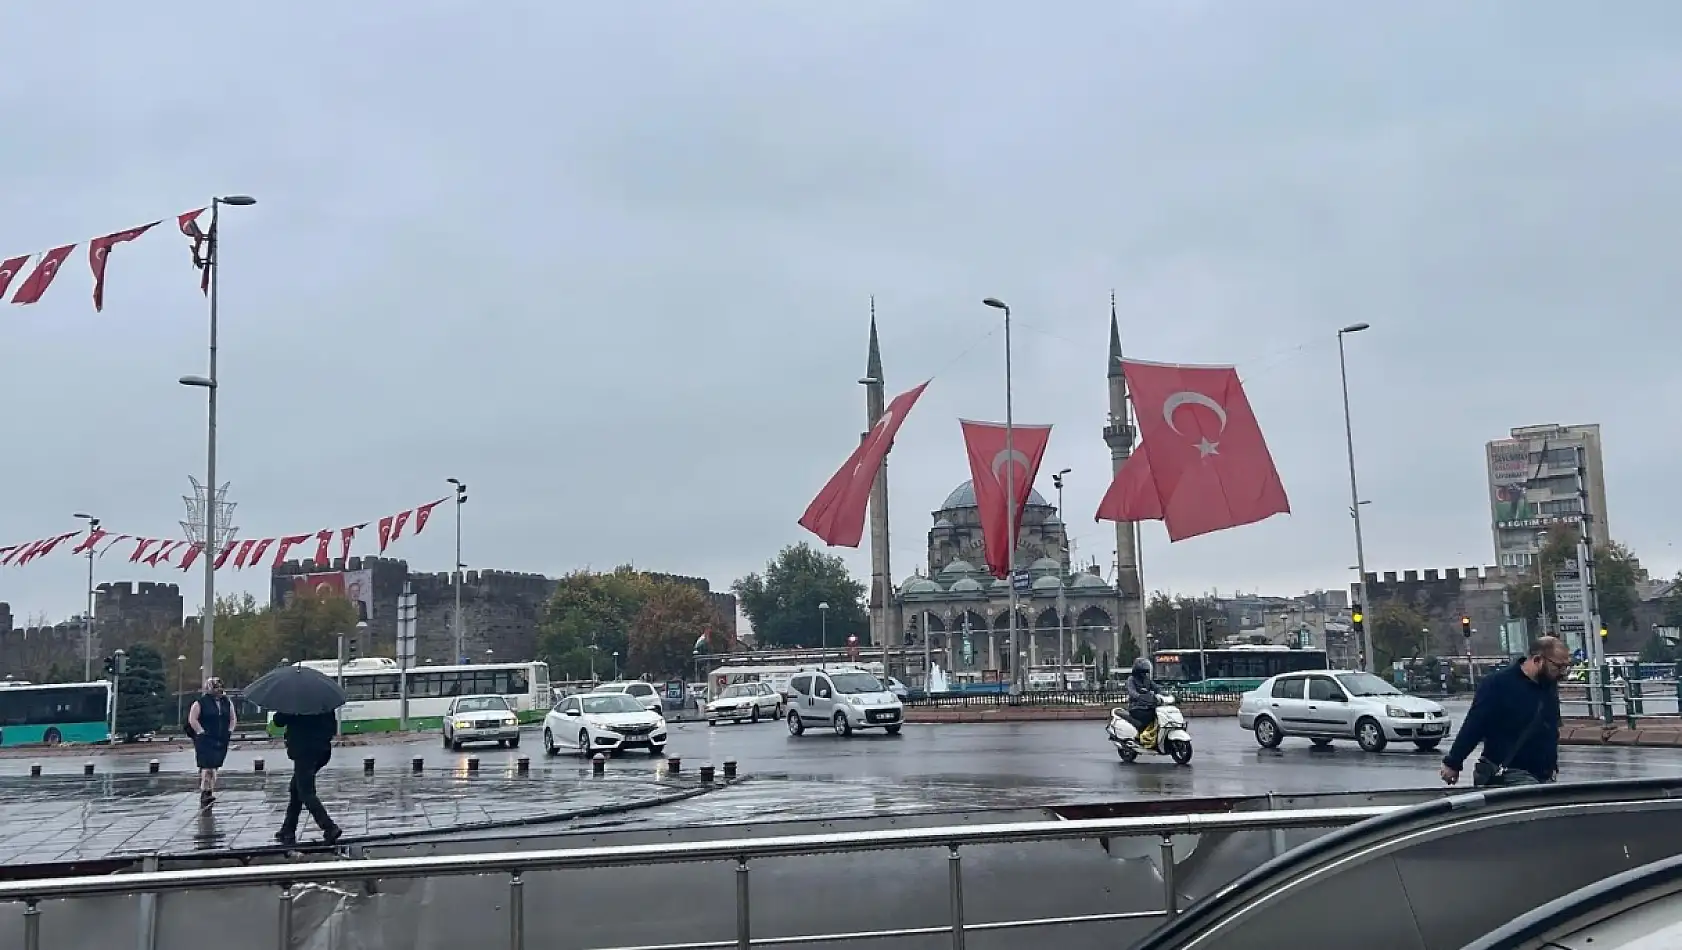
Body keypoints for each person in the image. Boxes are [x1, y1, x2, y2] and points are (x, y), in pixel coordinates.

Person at [1440, 636, 1567, 788]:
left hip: (1544, 775)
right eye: (1558, 667)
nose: (1563, 673)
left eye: (1566, 666)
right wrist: (1453, 762)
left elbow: (1551, 728)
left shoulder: (1548, 686)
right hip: (1508, 772)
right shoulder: (1498, 684)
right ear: (1537, 660)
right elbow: (1474, 725)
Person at [273, 709, 342, 847]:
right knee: (295, 789)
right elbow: (332, 728)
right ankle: (288, 829)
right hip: (322, 751)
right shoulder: (324, 702)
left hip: (304, 751)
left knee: (305, 792)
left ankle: (329, 827)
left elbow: (278, 720)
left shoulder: (296, 702)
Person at [186, 678, 235, 806]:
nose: (218, 690)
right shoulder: (200, 703)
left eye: (220, 687)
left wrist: (229, 731)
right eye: (215, 687)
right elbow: (193, 719)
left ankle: (210, 790)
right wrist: (201, 732)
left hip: (221, 738)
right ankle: (205, 792)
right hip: (205, 739)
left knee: (215, 766)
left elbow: (232, 718)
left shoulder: (227, 702)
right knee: (207, 766)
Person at [1125, 658, 1162, 746]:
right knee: (1148, 717)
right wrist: (1139, 696)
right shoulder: (1131, 679)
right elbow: (1132, 692)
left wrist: (1164, 693)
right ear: (1137, 671)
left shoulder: (1147, 679)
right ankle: (1139, 736)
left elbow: (1156, 688)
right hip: (1136, 707)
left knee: (1159, 715)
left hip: (1148, 706)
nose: (1144, 674)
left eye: (1145, 672)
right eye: (1142, 672)